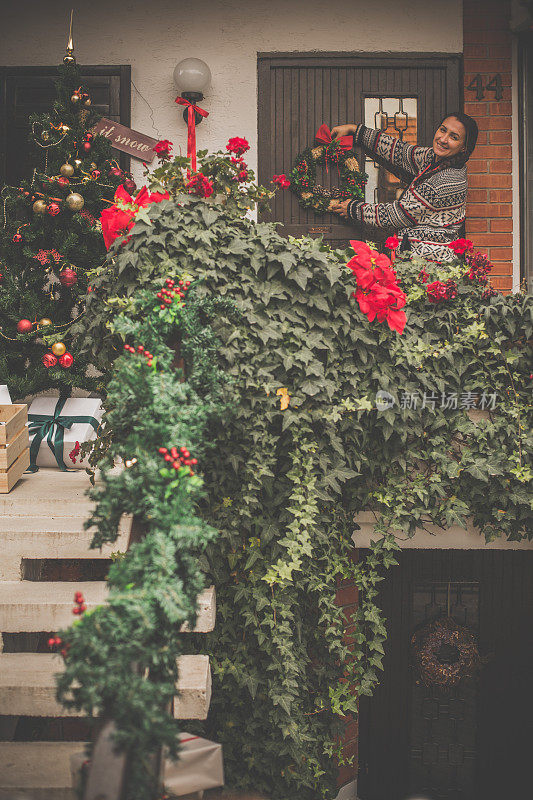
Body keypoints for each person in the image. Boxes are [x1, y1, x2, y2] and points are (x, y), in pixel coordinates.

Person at [329, 112, 478, 262]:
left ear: (464, 148)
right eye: (443, 130)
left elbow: (398, 215)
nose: (443, 139)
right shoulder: (433, 159)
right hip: (415, 260)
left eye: (454, 137)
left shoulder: (445, 181)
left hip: (430, 265)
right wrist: (356, 131)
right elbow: (400, 151)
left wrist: (353, 209)